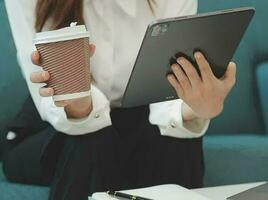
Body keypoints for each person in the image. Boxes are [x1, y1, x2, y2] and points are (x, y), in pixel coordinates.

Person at [2, 0, 237, 199]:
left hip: (138, 122)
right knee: (89, 141)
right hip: (50, 129)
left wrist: (198, 109)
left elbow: (167, 102)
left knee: (175, 137)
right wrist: (81, 106)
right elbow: (51, 103)